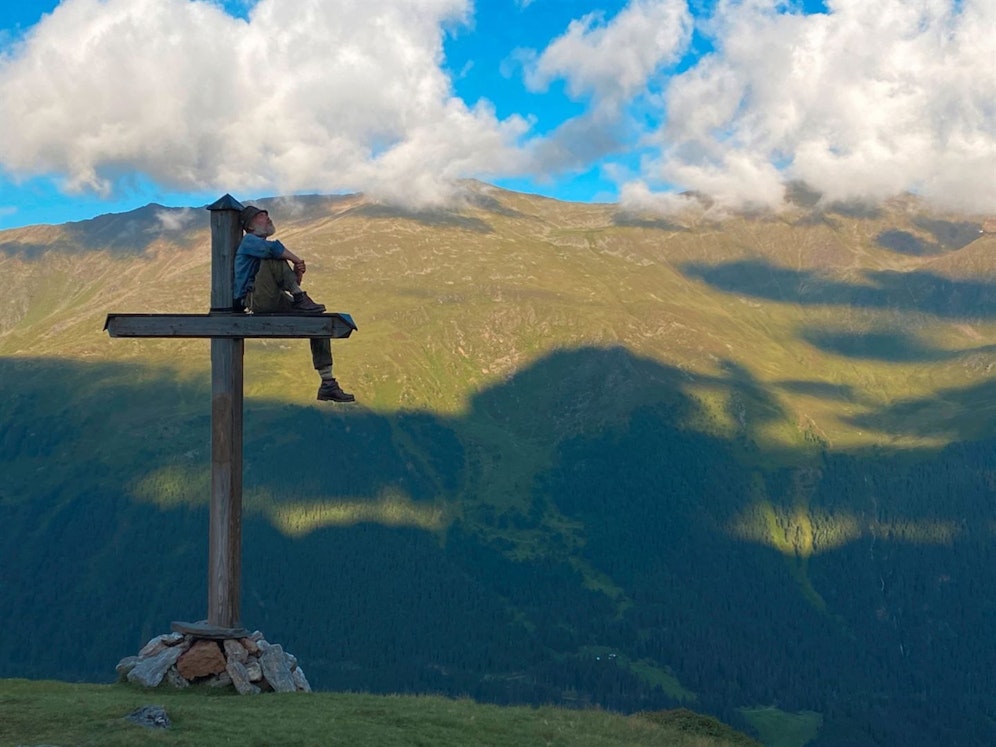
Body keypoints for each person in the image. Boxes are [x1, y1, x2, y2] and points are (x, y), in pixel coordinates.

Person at [233, 204, 355, 403]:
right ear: (251, 226)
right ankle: (300, 298)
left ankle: (327, 383)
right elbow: (274, 251)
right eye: (262, 217)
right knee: (273, 254)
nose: (268, 219)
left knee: (317, 320)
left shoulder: (259, 246)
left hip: (272, 297)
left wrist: (297, 274)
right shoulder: (249, 242)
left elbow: (284, 282)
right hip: (255, 299)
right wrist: (297, 261)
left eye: (267, 215)